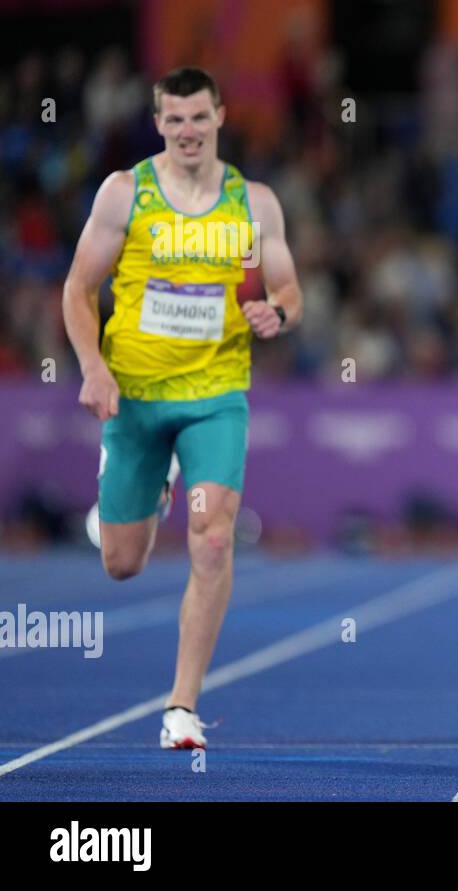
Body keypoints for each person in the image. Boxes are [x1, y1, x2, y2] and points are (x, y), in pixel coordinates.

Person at [62, 67, 303, 750]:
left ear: (221, 115)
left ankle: (181, 707)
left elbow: (290, 286)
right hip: (135, 398)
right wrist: (92, 366)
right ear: (158, 123)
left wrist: (276, 311)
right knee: (122, 561)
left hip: (215, 397)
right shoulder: (123, 194)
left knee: (215, 537)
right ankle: (156, 485)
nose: (188, 131)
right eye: (174, 120)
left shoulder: (253, 203)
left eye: (199, 117)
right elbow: (78, 289)